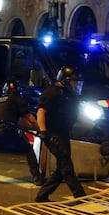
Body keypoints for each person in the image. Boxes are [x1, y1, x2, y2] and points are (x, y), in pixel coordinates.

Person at [35, 66, 87, 202]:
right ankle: (79, 196)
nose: (76, 84)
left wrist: (96, 128)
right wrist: (44, 132)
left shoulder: (70, 95)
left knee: (61, 167)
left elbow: (75, 115)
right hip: (53, 133)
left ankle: (42, 195)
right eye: (74, 81)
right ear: (65, 80)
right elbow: (41, 112)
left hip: (63, 133)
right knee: (66, 164)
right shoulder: (52, 92)